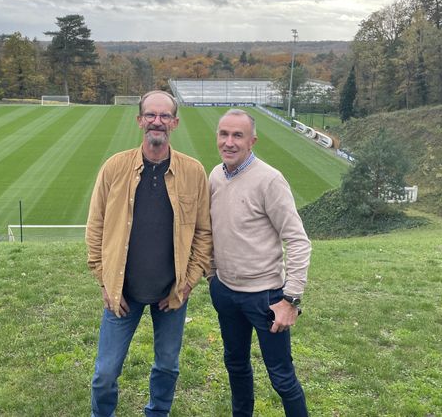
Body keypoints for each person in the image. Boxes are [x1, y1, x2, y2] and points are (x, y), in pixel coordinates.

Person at [85, 90, 213, 417]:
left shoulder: (194, 172)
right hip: (122, 292)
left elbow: (203, 232)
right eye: (151, 115)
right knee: (104, 375)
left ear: (175, 123)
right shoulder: (115, 168)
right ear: (140, 120)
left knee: (168, 367)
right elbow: (95, 227)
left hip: (171, 292)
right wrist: (104, 283)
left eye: (165, 116)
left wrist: (187, 286)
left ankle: (157, 413)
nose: (157, 121)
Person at [208, 109, 312, 417]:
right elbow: (214, 228)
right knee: (236, 365)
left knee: (281, 378)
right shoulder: (215, 175)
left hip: (265, 297)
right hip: (225, 292)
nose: (229, 142)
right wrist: (213, 274)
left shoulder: (269, 180)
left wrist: (290, 299)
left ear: (252, 141)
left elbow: (297, 239)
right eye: (224, 134)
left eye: (237, 135)